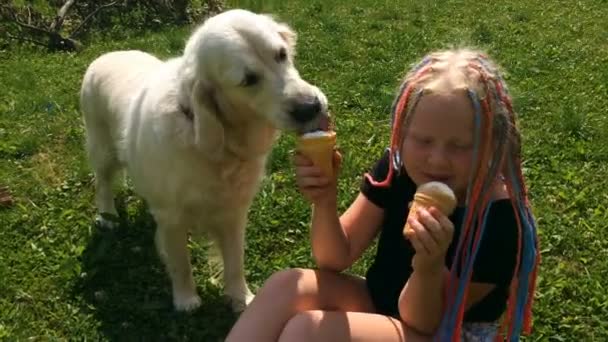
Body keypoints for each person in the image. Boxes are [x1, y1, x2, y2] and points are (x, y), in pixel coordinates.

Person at [225, 48, 540, 342]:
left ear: (494, 142)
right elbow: (335, 256)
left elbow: (424, 321)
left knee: (307, 332)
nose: (437, 159)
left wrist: (428, 266)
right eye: (423, 140)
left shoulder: (499, 221)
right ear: (402, 131)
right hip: (384, 302)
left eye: (459, 146)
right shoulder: (398, 168)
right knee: (286, 286)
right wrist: (325, 200)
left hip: (444, 329)